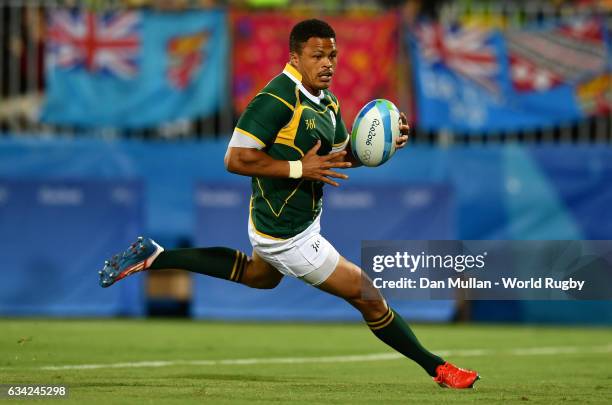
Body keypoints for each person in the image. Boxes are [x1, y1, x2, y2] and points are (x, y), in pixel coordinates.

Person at [99, 19, 479, 389]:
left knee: (258, 276)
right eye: (317, 55)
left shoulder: (327, 102)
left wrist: (380, 148)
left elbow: (337, 158)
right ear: (295, 57)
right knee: (368, 296)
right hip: (286, 235)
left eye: (332, 55)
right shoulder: (276, 99)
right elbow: (235, 159)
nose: (327, 63)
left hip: (290, 222)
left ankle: (156, 256)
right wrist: (299, 167)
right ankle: (439, 368)